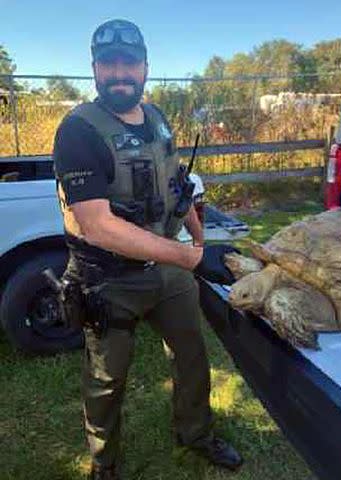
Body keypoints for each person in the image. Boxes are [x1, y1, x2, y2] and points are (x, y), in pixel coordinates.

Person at [53, 19, 243, 480]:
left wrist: (199, 237)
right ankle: (105, 462)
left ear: (145, 67)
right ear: (94, 70)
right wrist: (195, 258)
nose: (120, 73)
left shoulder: (157, 118)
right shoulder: (79, 131)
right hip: (108, 278)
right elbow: (96, 225)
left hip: (167, 267)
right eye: (109, 64)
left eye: (129, 63)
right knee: (106, 379)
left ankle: (195, 434)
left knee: (192, 354)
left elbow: (179, 186)